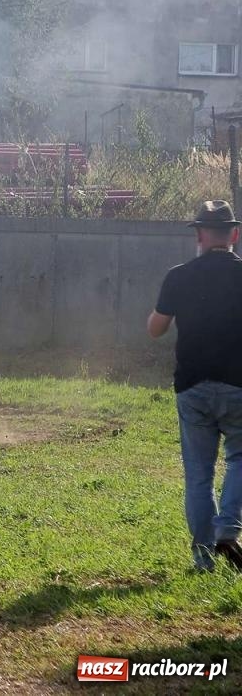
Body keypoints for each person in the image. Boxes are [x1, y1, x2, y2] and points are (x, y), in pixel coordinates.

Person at [148, 200, 242, 572]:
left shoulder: (178, 275)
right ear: (234, 234)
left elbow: (155, 329)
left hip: (192, 387)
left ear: (200, 235)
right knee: (240, 458)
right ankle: (228, 528)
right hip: (239, 385)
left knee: (199, 475)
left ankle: (204, 560)